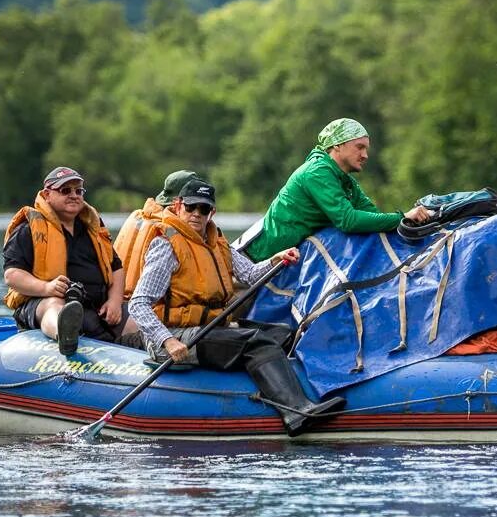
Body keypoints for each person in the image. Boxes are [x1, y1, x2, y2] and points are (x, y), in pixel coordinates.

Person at [128, 176, 345, 435]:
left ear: (212, 212)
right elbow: (139, 304)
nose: (197, 214)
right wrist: (167, 341)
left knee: (282, 333)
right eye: (191, 207)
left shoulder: (216, 242)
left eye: (204, 209)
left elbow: (251, 275)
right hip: (175, 337)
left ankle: (301, 391)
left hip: (208, 328)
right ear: (177, 206)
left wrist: (275, 261)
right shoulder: (165, 245)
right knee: (255, 341)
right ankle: (296, 412)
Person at [245, 117, 431, 261]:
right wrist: (403, 216)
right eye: (359, 147)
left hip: (286, 258)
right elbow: (348, 221)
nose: (365, 155)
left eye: (366, 149)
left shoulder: (345, 181)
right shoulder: (317, 171)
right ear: (337, 145)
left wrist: (409, 222)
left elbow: (373, 217)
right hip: (256, 259)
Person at [2, 166, 141, 356]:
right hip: (44, 302)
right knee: (53, 305)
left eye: (79, 190)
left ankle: (139, 356)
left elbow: (116, 267)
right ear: (47, 194)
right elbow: (12, 275)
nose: (74, 195)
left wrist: (115, 301)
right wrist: (46, 288)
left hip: (96, 307)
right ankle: (65, 334)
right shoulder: (28, 229)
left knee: (136, 319)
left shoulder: (93, 228)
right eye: (65, 190)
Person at [113, 168, 196, 286]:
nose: (196, 211)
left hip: (117, 297)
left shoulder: (136, 217)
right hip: (147, 302)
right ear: (177, 204)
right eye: (192, 206)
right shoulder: (169, 230)